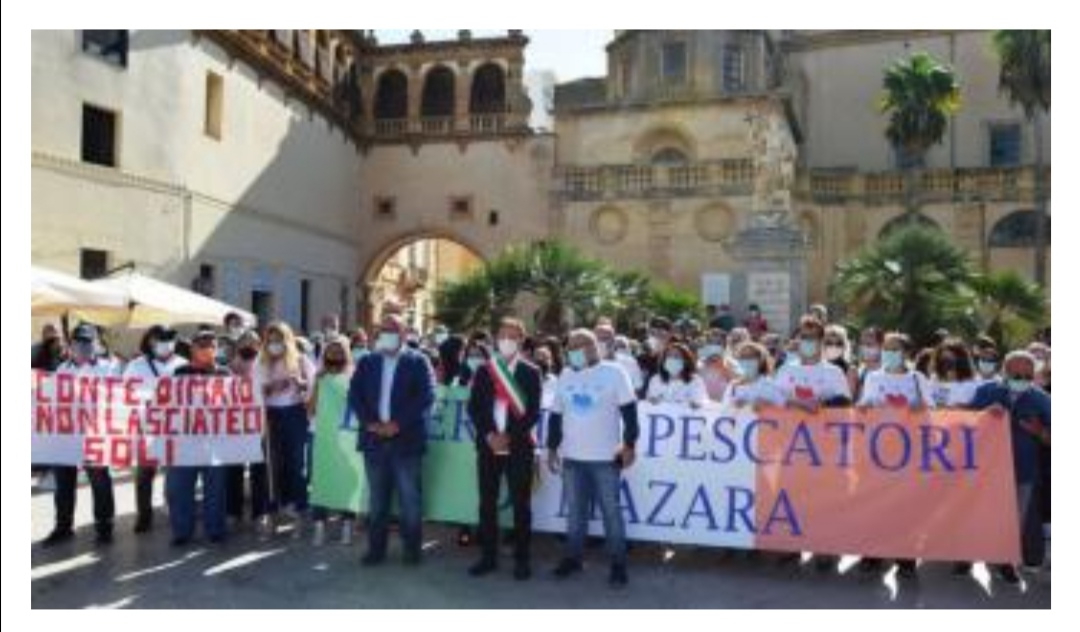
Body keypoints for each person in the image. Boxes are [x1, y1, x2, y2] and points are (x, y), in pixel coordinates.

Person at [546, 329, 640, 588]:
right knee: (575, 513)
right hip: (572, 457)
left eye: (580, 345)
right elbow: (555, 415)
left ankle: (618, 565)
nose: (574, 351)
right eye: (570, 346)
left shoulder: (615, 373)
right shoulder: (565, 376)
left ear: (593, 347)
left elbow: (630, 412)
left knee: (611, 513)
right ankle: (573, 558)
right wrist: (552, 448)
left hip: (606, 458)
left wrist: (630, 444)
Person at [349, 314, 436, 566]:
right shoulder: (368, 361)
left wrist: (397, 425)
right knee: (377, 501)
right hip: (374, 441)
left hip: (406, 442)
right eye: (383, 329)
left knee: (410, 500)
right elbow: (355, 395)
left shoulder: (419, 361)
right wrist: (370, 424)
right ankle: (376, 550)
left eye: (393, 329)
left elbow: (426, 396)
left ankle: (412, 550)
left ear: (404, 332)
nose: (387, 333)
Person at [773, 315, 851, 571]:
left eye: (813, 338)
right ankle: (792, 546)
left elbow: (844, 404)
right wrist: (796, 403)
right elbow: (773, 401)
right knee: (792, 496)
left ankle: (825, 547)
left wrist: (822, 405)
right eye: (803, 337)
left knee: (825, 497)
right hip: (791, 447)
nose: (808, 342)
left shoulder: (834, 371)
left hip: (825, 447)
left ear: (821, 341)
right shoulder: (786, 370)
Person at [466, 318, 543, 580]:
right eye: (503, 335)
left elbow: (532, 413)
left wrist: (509, 436)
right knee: (487, 503)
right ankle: (488, 557)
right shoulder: (485, 371)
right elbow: (474, 407)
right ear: (497, 338)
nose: (507, 340)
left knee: (521, 504)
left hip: (518, 446)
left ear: (522, 341)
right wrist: (490, 435)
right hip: (488, 446)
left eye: (513, 336)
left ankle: (522, 559)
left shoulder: (531, 372)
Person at [854, 332, 933, 577]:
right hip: (877, 450)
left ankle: (906, 554)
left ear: (906, 353)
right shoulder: (873, 377)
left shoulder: (917, 378)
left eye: (895, 349)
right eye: (886, 348)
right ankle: (872, 552)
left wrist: (921, 409)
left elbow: (933, 411)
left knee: (906, 503)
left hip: (909, 451)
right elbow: (862, 407)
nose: (888, 353)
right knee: (875, 502)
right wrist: (863, 408)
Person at [971, 350, 1050, 584]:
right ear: (1004, 372)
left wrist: (1040, 432)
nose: (1021, 379)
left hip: (1023, 473)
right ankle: (986, 558)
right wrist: (984, 416)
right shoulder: (985, 392)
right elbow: (962, 426)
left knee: (1016, 519)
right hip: (987, 472)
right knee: (987, 517)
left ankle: (1006, 563)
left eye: (1027, 375)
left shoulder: (1042, 399)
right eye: (1016, 374)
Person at [41, 324, 119, 547]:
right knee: (64, 483)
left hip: (96, 434)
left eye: (88, 342)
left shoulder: (109, 368)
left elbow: (122, 400)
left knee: (100, 482)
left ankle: (105, 527)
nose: (83, 347)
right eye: (79, 342)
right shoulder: (61, 370)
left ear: (96, 343)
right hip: (66, 436)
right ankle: (63, 526)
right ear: (71, 344)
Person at [166, 326, 230, 545]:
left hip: (215, 442)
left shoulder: (225, 373)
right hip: (185, 441)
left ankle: (215, 529)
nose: (207, 349)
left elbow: (235, 406)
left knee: (216, 489)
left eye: (211, 345)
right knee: (180, 488)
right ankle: (182, 531)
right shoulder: (180, 373)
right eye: (202, 345)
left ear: (216, 349)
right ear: (192, 349)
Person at [122, 325, 187, 534]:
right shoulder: (136, 366)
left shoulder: (183, 364)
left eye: (169, 338)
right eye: (160, 339)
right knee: (144, 475)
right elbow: (124, 396)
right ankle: (144, 515)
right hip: (146, 428)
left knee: (174, 474)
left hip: (175, 429)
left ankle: (173, 509)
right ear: (150, 341)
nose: (165, 343)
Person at [258, 321, 316, 537]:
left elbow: (312, 390)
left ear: (287, 340)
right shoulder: (261, 363)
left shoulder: (301, 361)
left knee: (296, 465)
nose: (274, 345)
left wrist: (300, 384)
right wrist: (270, 388)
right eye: (270, 340)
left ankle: (299, 511)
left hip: (294, 414)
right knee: (272, 466)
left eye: (278, 340)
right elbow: (254, 390)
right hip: (270, 415)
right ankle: (272, 513)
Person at [308, 335, 359, 546]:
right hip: (320, 435)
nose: (335, 355)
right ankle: (319, 525)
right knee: (319, 479)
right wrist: (318, 384)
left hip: (347, 437)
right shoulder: (319, 377)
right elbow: (310, 409)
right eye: (331, 351)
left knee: (347, 479)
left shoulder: (355, 378)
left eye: (340, 352)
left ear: (347, 355)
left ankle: (347, 524)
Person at [226, 329, 270, 529]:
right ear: (238, 345)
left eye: (254, 342)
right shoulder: (228, 367)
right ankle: (233, 511)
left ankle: (260, 512)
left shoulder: (265, 365)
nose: (249, 346)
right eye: (245, 342)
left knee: (259, 469)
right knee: (233, 468)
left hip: (258, 423)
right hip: (234, 425)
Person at [720, 342, 784, 409]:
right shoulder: (733, 386)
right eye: (742, 357)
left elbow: (784, 411)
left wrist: (768, 406)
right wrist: (733, 405)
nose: (746, 361)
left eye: (751, 357)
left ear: (760, 360)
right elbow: (722, 410)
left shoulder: (771, 385)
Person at [645, 342, 708, 407]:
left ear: (685, 361)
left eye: (676, 356)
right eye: (669, 356)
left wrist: (696, 404)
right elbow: (649, 402)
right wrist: (652, 401)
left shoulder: (696, 381)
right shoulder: (656, 380)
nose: (672, 359)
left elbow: (701, 401)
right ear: (664, 360)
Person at [927, 338, 979, 408]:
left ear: (962, 362)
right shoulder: (933, 382)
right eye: (943, 361)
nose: (946, 366)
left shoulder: (971, 386)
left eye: (950, 361)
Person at [850, 327, 884, 400]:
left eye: (869, 344)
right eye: (862, 344)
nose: (865, 348)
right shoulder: (858, 371)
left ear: (881, 346)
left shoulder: (889, 371)